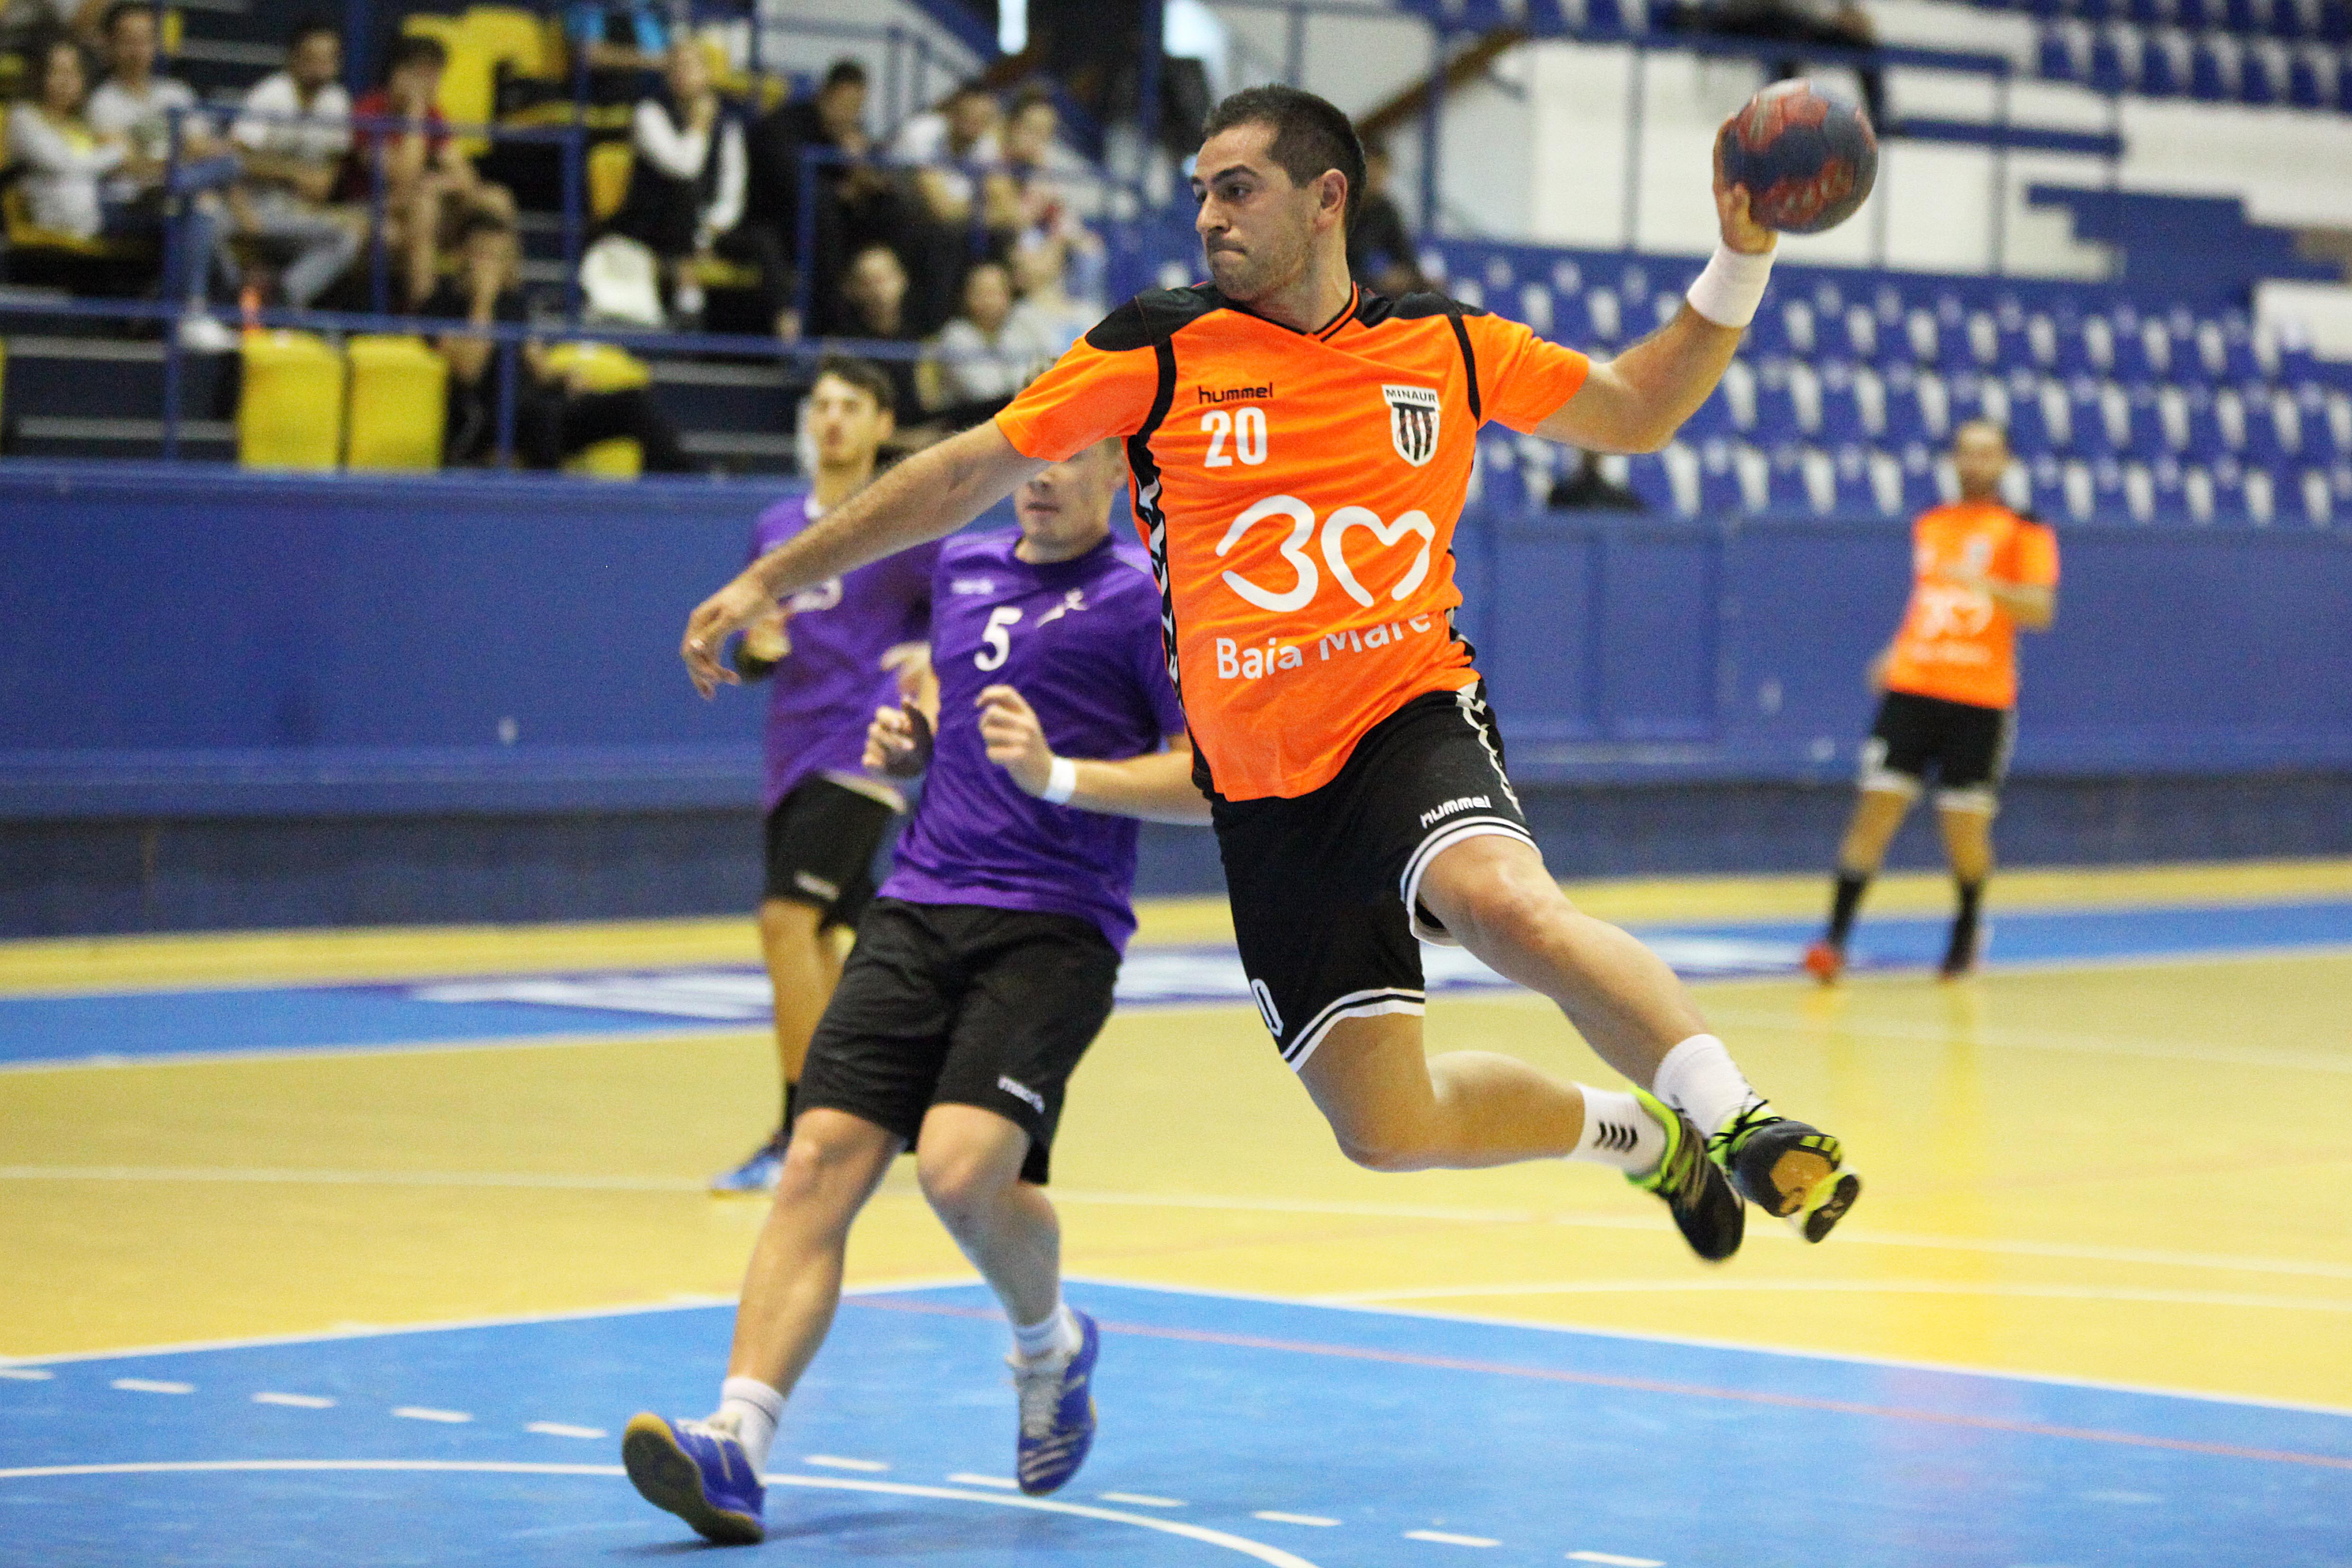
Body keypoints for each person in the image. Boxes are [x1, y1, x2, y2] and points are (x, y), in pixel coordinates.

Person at [682, 84, 1864, 1275]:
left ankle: (1736, 1117)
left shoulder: (1441, 345)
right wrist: (774, 575)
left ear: (1325, 196)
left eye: (1236, 189)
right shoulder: (1156, 347)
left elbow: (1636, 411)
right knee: (1387, 1129)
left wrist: (1740, 253)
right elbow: (960, 474)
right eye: (1200, 191)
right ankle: (1646, 1140)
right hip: (1262, 792)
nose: (1208, 215)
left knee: (1505, 904)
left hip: (1404, 713)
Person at [628, 435, 1201, 1545]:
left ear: (1118, 476)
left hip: (1053, 924)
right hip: (920, 901)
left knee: (956, 1170)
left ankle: (1048, 1348)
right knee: (817, 1160)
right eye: (1028, 454)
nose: (1040, 474)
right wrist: (914, 745)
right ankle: (737, 1443)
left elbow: (1211, 779)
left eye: (1070, 456)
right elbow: (951, 722)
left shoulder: (1146, 602)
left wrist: (1058, 776)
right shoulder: (964, 568)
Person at [708, 356, 939, 1193]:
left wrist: (930, 660)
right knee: (839, 938)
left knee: (785, 920)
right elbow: (758, 647)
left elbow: (962, 606)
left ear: (883, 424)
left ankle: (801, 1129)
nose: (833, 418)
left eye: (851, 405)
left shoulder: (901, 522)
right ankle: (881, 1100)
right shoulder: (776, 528)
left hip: (859, 753)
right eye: (823, 405)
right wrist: (755, 650)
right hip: (790, 753)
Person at [1803, 421, 2058, 983]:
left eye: (1986, 453)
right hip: (1913, 687)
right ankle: (1833, 940)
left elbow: (2039, 609)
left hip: (1979, 697)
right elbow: (1928, 599)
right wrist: (1895, 650)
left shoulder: (2024, 529)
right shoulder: (1931, 523)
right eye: (1965, 453)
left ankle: (1966, 928)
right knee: (1875, 808)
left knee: (1962, 828)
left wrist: (1983, 583)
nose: (1974, 463)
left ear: (2005, 462)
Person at [422, 210, 690, 472]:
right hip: (485, 420)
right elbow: (469, 371)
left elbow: (539, 366)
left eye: (499, 257)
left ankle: (682, 482)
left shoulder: (513, 304)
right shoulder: (442, 305)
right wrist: (483, 301)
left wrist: (567, 378)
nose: (491, 266)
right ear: (461, 255)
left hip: (534, 411)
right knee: (543, 415)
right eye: (483, 255)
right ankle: (548, 497)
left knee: (633, 402)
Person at [606, 39, 790, 336]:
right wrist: (699, 126)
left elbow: (733, 186)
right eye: (676, 67)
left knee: (764, 239)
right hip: (656, 222)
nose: (683, 74)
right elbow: (684, 167)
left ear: (707, 73)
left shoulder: (727, 124)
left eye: (691, 67)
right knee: (681, 192)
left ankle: (786, 324)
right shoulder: (649, 113)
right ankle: (688, 304)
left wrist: (711, 230)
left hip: (707, 227)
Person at [339, 34, 510, 310]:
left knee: (497, 199)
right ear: (397, 74)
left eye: (435, 75)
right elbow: (401, 178)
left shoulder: (434, 116)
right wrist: (415, 115)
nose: (431, 84)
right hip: (373, 209)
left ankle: (503, 306)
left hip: (416, 207)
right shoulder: (369, 113)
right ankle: (425, 311)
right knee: (424, 207)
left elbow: (467, 180)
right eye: (422, 74)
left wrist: (435, 184)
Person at [743, 57, 907, 338]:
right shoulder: (783, 126)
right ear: (826, 94)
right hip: (775, 225)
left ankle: (895, 316)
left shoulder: (855, 137)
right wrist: (843, 190)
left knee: (895, 210)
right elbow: (789, 187)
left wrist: (861, 172)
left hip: (834, 228)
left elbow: (875, 185)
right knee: (823, 213)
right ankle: (828, 329)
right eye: (845, 103)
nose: (850, 113)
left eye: (857, 106)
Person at [228, 17, 362, 309]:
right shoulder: (271, 94)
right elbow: (235, 159)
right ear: (294, 59)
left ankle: (283, 296)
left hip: (297, 212)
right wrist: (293, 174)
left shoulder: (336, 101)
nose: (320, 68)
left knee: (348, 238)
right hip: (252, 206)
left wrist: (315, 188)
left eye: (328, 60)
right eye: (312, 59)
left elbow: (324, 182)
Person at [923, 258, 1052, 418]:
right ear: (966, 296)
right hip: (969, 421)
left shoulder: (1020, 328)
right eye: (982, 292)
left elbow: (1039, 380)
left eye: (997, 292)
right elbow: (984, 392)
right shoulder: (955, 336)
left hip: (1018, 417)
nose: (990, 300)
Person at [834, 243, 923, 438]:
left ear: (902, 280)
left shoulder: (922, 336)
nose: (878, 291)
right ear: (853, 289)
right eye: (868, 282)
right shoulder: (845, 349)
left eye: (884, 279)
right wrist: (906, 440)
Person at [1346, 138, 1424, 298]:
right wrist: (1377, 281)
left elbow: (1406, 258)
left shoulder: (1384, 211)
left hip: (1366, 286)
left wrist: (1408, 277)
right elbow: (1331, 268)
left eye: (1382, 169)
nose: (1377, 176)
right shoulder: (1340, 208)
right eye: (1371, 169)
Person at [1548, 449, 1645, 511]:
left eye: (1595, 453)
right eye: (1587, 451)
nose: (1591, 456)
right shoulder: (1561, 496)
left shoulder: (1621, 500)